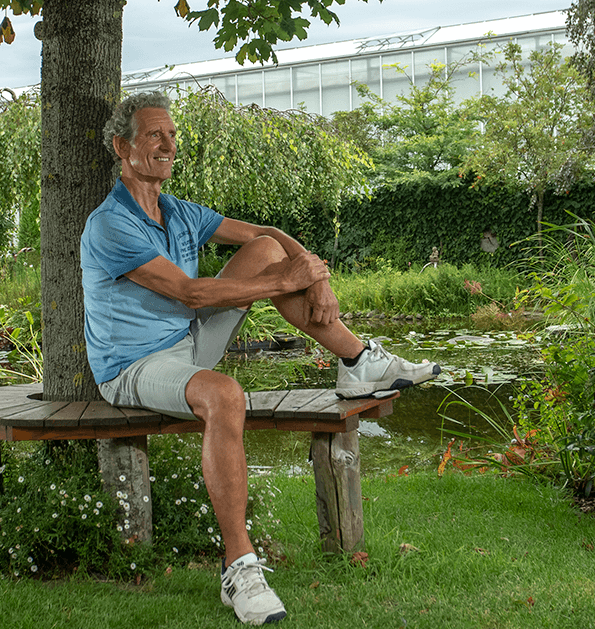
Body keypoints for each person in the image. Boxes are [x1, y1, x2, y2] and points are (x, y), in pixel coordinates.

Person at [81, 91, 440, 625]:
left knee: (271, 251)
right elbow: (191, 293)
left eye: (172, 135)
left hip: (187, 342)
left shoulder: (178, 211)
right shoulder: (110, 223)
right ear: (122, 147)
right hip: (132, 365)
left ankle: (357, 361)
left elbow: (266, 236)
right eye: (155, 134)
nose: (169, 144)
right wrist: (285, 280)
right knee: (226, 394)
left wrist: (313, 275)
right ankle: (240, 568)